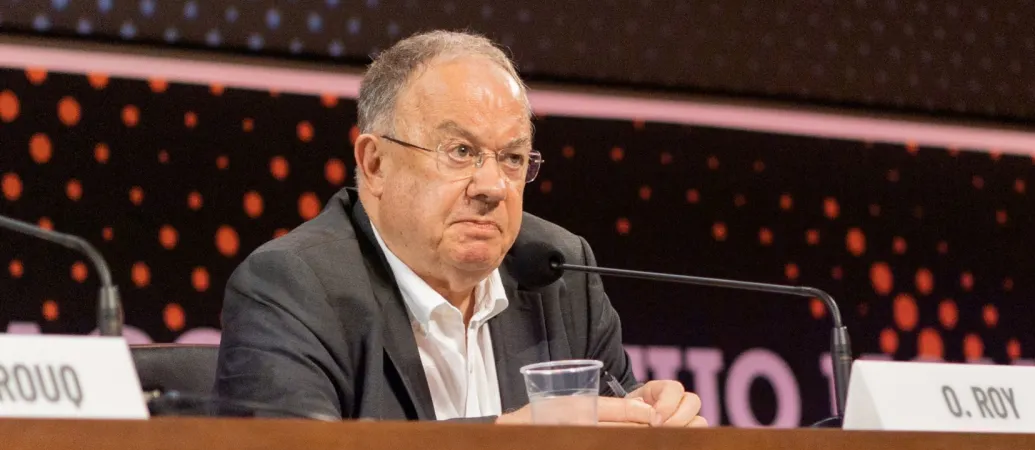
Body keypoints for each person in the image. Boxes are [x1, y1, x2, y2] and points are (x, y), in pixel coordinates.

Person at [214, 30, 705, 426]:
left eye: (512, 158)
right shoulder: (291, 287)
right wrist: (505, 445)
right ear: (375, 163)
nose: (492, 186)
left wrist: (650, 421)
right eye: (461, 152)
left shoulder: (558, 272)